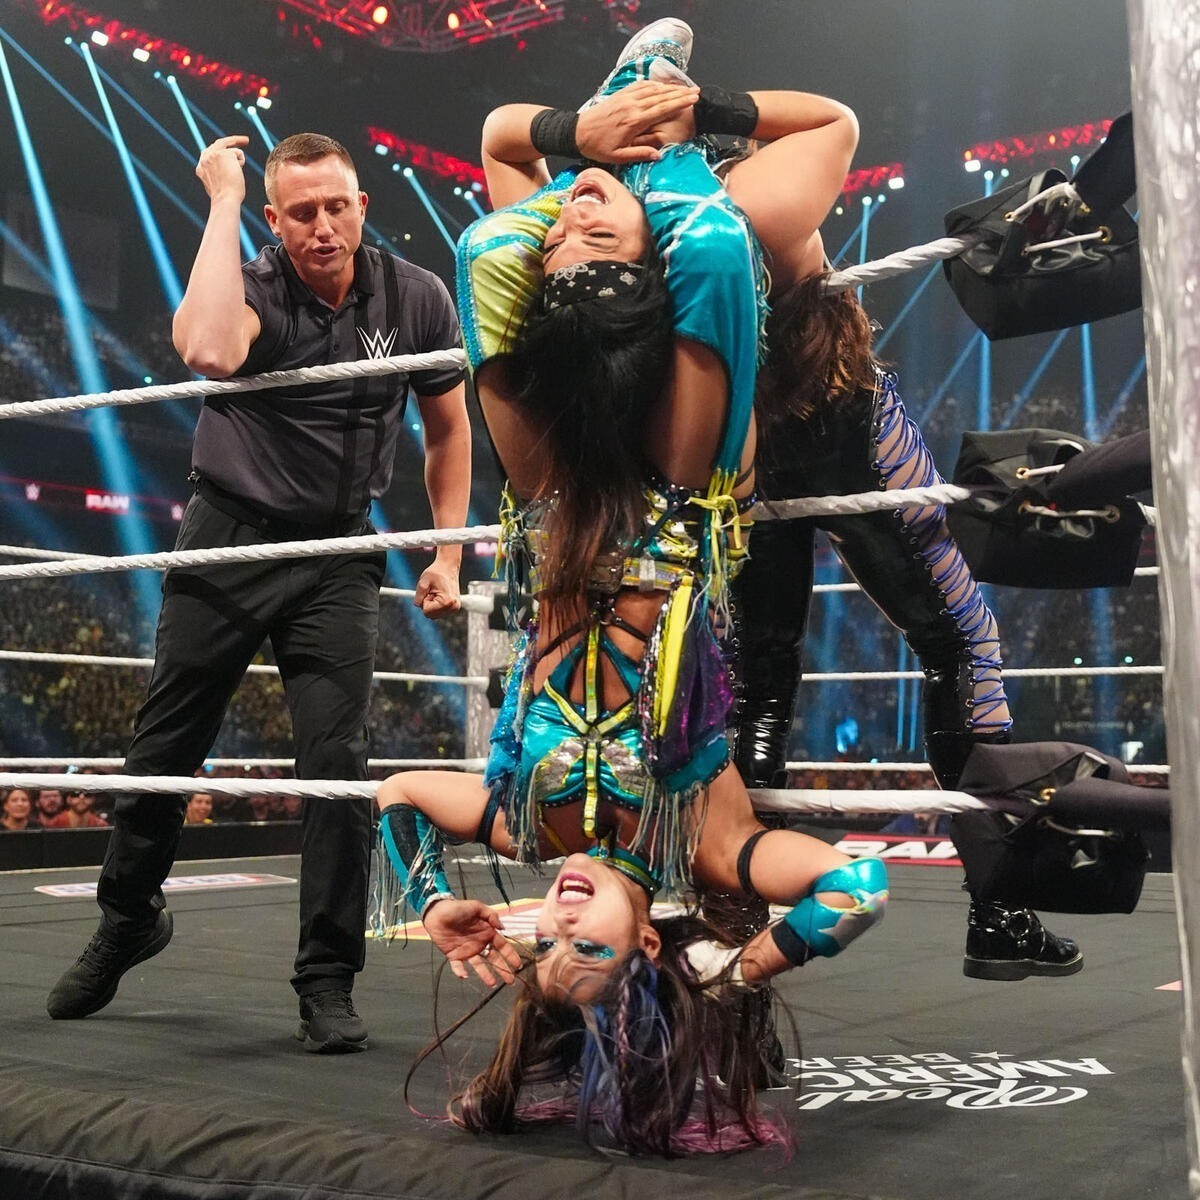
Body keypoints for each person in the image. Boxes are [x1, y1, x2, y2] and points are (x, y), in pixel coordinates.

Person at [376, 21, 886, 1150]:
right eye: (590, 948)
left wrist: (438, 903)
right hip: (682, 503)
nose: (559, 923)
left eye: (545, 950)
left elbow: (399, 798)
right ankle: (655, 133)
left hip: (554, 507)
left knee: (489, 251)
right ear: (647, 941)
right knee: (705, 240)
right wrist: (738, 967)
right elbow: (857, 886)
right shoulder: (705, 842)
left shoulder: (524, 824)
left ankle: (619, 134)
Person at [46, 131, 472, 1055]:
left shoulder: (416, 296)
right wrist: (224, 200)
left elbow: (448, 426)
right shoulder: (254, 285)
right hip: (230, 534)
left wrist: (447, 552)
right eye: (302, 212)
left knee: (337, 763)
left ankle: (327, 979)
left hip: (338, 550)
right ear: (276, 220)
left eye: (337, 206)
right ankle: (128, 917)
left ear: (363, 205)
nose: (323, 227)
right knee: (165, 744)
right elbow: (206, 348)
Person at [731, 277, 1083, 981]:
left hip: (740, 408)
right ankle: (1000, 913)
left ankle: (735, 918)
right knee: (964, 641)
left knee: (762, 675)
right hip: (829, 394)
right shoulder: (771, 228)